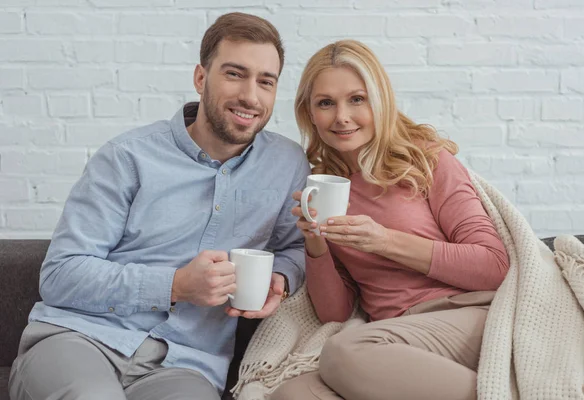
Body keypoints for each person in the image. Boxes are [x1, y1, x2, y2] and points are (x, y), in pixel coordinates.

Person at [9, 12, 310, 400]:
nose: (251, 96)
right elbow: (60, 275)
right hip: (82, 339)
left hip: (186, 364)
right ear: (201, 78)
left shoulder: (286, 165)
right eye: (234, 74)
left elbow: (294, 246)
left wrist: (281, 279)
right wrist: (176, 286)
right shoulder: (127, 157)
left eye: (265, 82)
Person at [271, 40, 510, 400]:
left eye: (357, 99)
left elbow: (494, 265)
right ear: (310, 113)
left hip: (464, 315)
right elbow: (334, 313)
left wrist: (384, 241)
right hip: (393, 337)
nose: (342, 117)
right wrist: (316, 244)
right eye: (326, 103)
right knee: (293, 394)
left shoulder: (425, 159)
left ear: (378, 100)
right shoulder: (322, 185)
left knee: (345, 352)